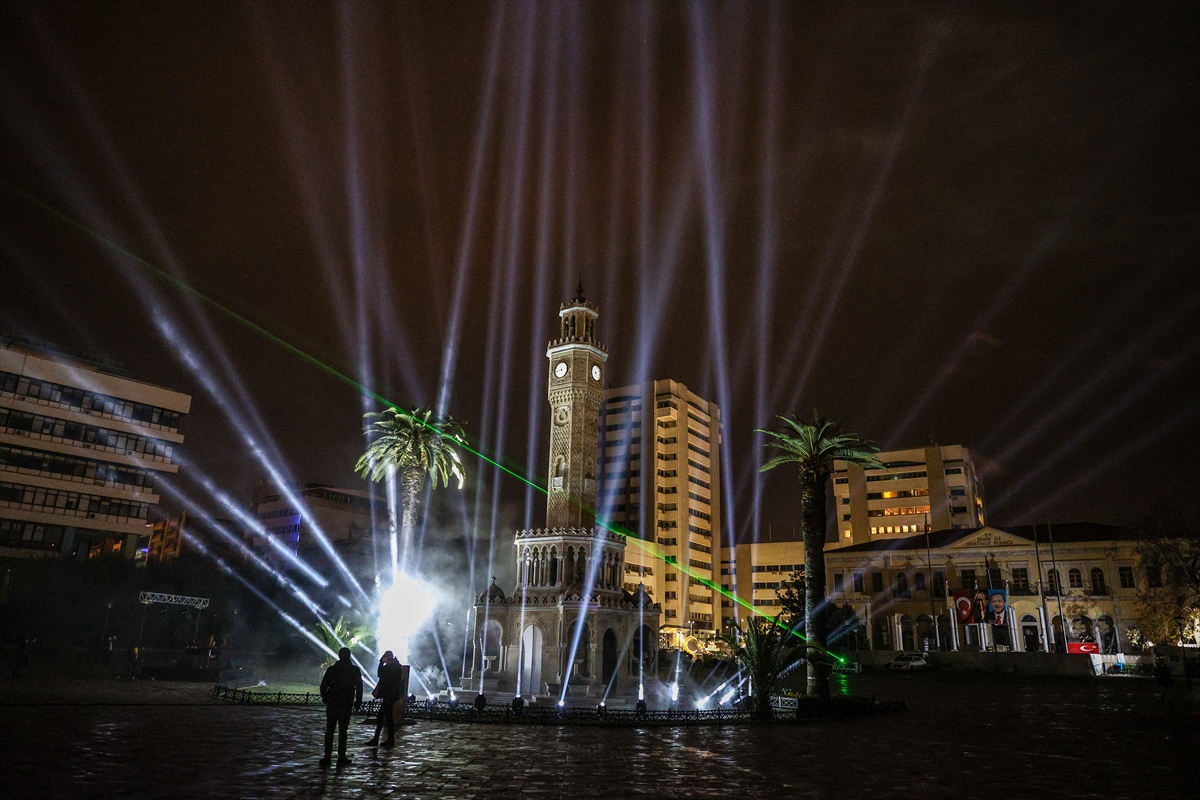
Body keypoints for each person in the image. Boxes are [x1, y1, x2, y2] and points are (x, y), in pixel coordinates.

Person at [319, 647, 362, 768]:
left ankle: (327, 756)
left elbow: (323, 686)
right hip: (346, 703)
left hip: (333, 703)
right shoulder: (354, 670)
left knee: (330, 731)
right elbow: (359, 687)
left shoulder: (332, 669)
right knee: (343, 731)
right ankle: (341, 756)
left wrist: (326, 698)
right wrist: (358, 701)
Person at [366, 651, 402, 748]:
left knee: (385, 717)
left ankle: (386, 739)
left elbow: (381, 674)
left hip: (389, 696)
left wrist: (381, 663)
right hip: (390, 695)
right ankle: (385, 739)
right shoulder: (395, 666)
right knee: (384, 717)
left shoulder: (393, 667)